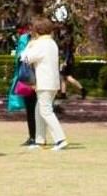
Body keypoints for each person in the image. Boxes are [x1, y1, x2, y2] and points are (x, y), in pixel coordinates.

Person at [21, 18, 68, 151]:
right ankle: (40, 140)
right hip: (53, 82)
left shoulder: (40, 44)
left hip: (44, 82)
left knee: (45, 110)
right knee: (39, 109)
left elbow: (25, 58)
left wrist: (28, 46)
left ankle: (60, 139)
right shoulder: (52, 42)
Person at [10, 22, 38, 147]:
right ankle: (33, 136)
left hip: (41, 76)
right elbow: (20, 57)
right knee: (30, 108)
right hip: (28, 77)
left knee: (43, 109)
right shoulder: (24, 39)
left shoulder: (44, 41)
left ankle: (40, 136)